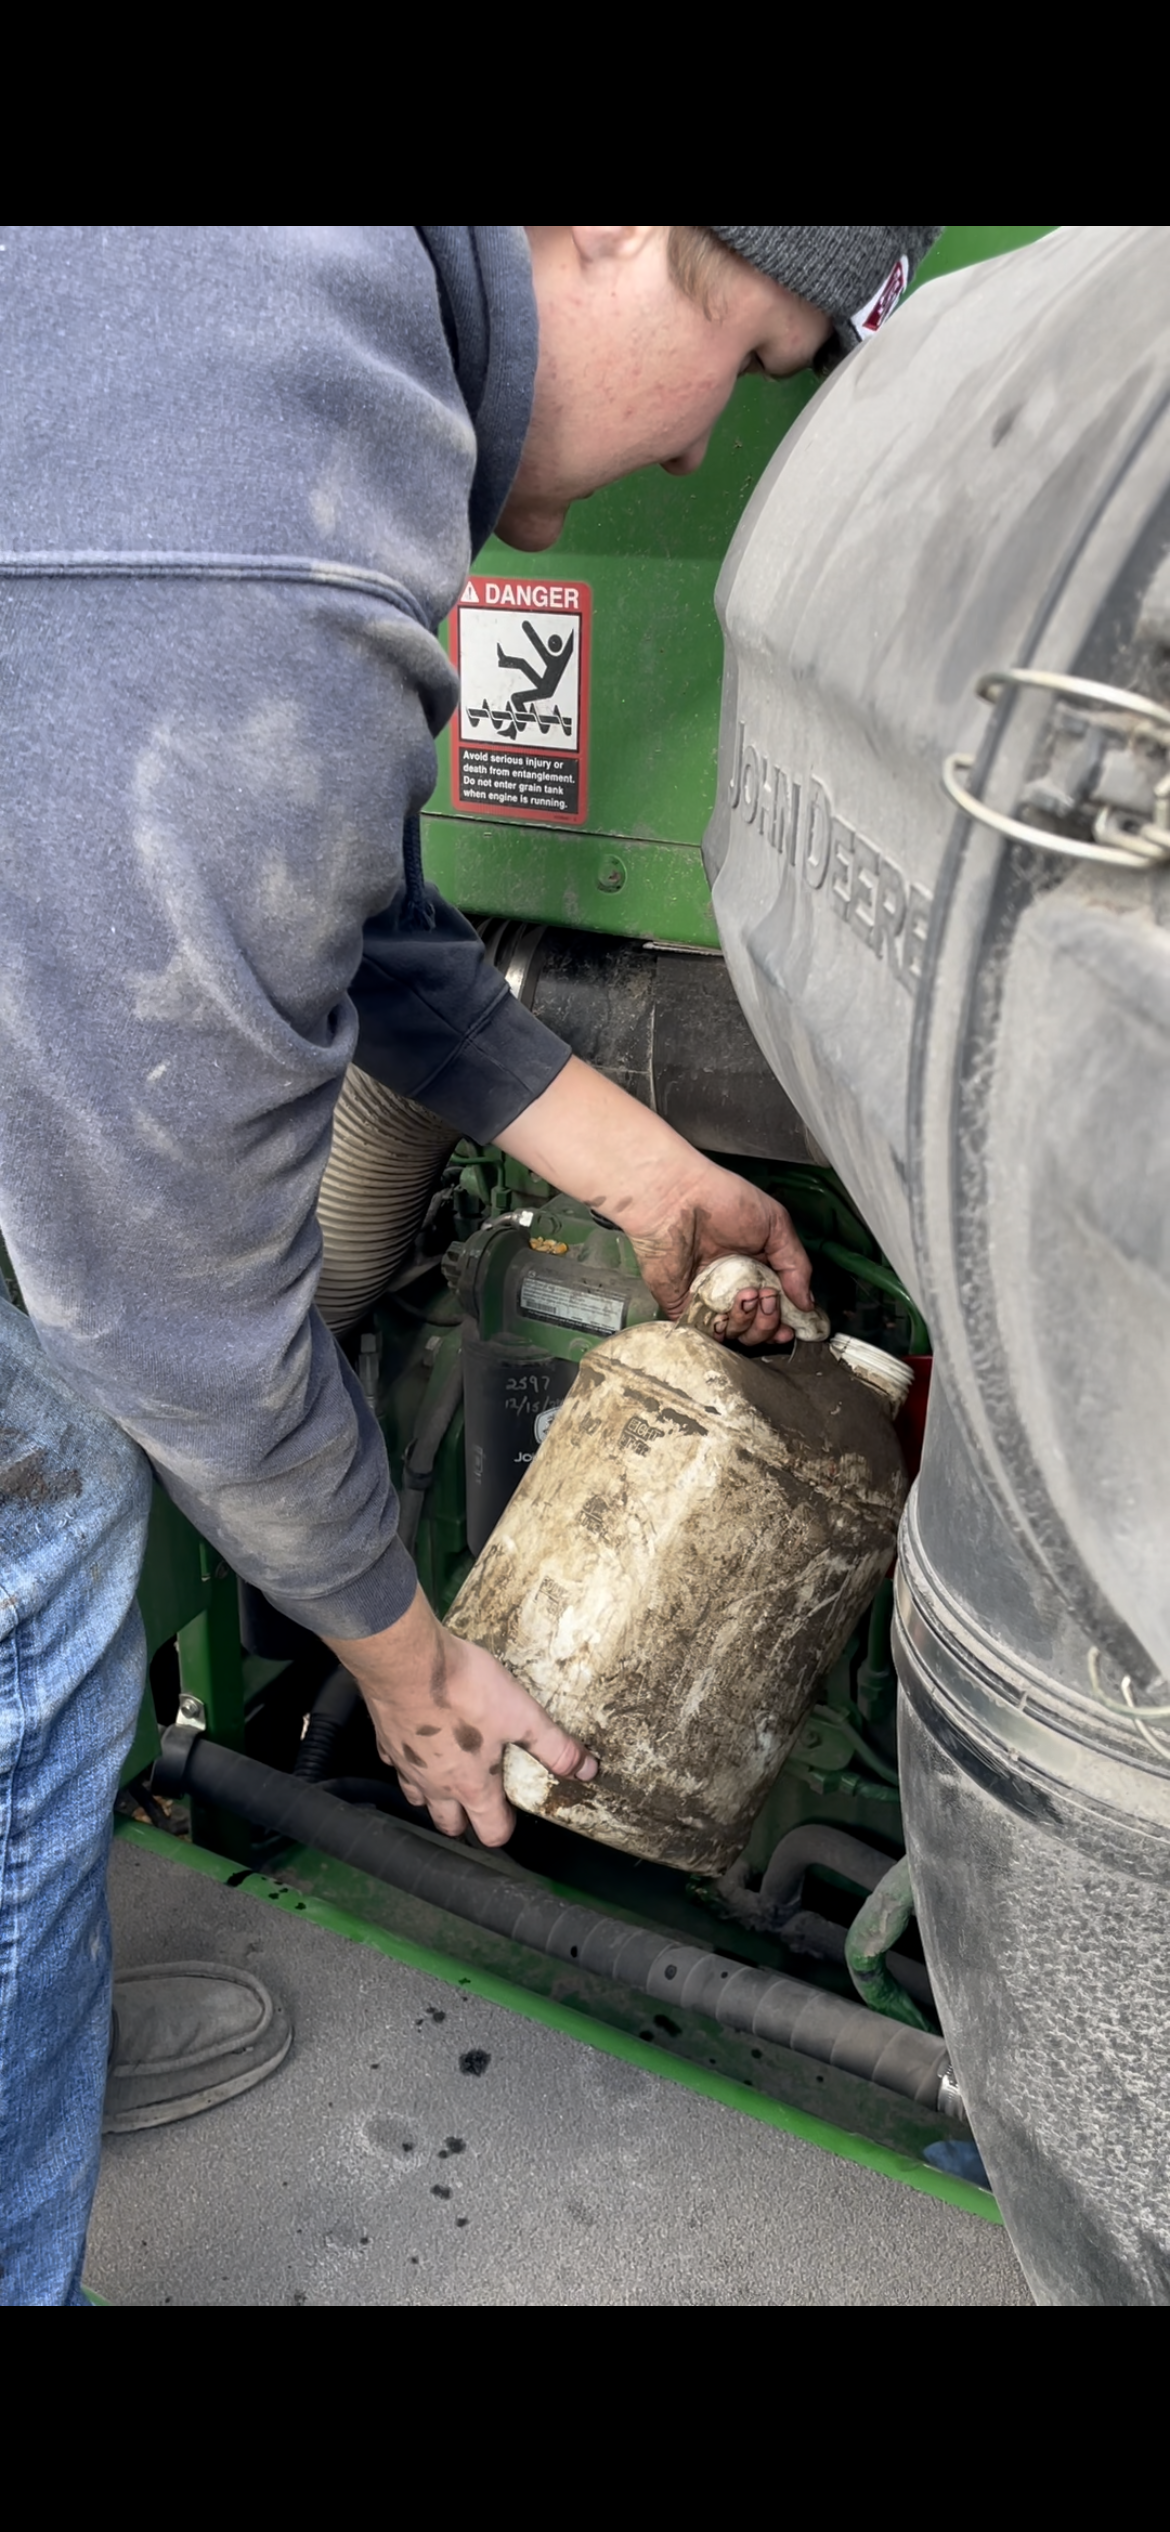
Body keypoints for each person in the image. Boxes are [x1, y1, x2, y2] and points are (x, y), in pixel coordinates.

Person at [0, 224, 941, 2303]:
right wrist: (405, 1661)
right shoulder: (292, 536)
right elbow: (161, 1287)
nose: (707, 459)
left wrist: (637, 1168)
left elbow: (344, 905)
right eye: (755, 358)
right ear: (613, 230)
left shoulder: (303, 339)